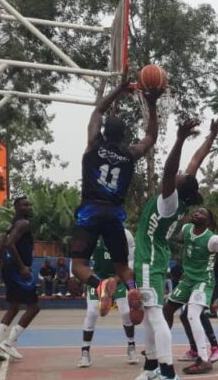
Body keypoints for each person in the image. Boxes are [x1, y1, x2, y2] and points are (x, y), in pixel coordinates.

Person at [134, 116, 218, 380]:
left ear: (177, 187)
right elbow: (196, 160)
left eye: (181, 177)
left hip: (149, 258)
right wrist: (212, 134)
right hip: (155, 255)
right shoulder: (181, 199)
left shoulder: (169, 202)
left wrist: (180, 138)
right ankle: (151, 367)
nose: (182, 173)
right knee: (157, 314)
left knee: (155, 315)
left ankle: (167, 372)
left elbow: (169, 170)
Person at [70, 75, 164, 329]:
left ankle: (99, 284)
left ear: (103, 131)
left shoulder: (93, 145)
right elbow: (151, 137)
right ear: (124, 136)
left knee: (78, 265)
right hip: (114, 215)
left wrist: (118, 90)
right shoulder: (129, 154)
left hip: (90, 210)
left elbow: (98, 109)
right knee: (121, 266)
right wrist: (152, 103)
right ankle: (132, 288)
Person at [162, 208, 218, 375]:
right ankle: (161, 345)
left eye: (202, 213)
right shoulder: (186, 229)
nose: (197, 214)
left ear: (209, 221)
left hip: (204, 280)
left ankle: (204, 359)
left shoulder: (213, 239)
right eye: (196, 212)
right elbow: (182, 240)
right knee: (167, 309)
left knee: (192, 314)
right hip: (188, 278)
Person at [78, 232, 138, 368]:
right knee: (92, 312)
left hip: (119, 278)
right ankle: (85, 352)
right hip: (97, 279)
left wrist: (116, 280)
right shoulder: (90, 233)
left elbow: (131, 262)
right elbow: (81, 260)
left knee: (125, 313)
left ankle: (131, 346)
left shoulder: (126, 234)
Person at [0, 197, 40, 361]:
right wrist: (21, 267)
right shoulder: (23, 224)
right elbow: (9, 245)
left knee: (13, 307)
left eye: (29, 204)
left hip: (9, 269)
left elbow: (0, 245)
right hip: (18, 270)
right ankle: (9, 342)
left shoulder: (12, 225)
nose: (28, 207)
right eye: (24, 205)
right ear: (16, 207)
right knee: (33, 308)